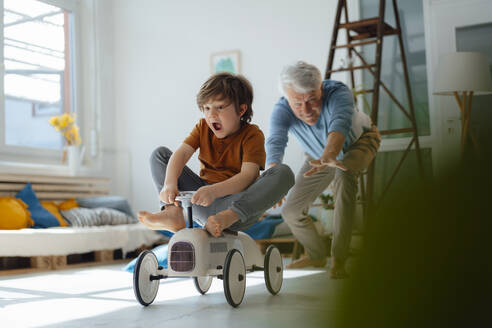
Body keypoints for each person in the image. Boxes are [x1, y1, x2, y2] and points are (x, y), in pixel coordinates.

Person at [139, 72, 294, 237]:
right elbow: (182, 154)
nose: (211, 115)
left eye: (220, 107)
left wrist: (214, 191)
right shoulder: (202, 127)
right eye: (206, 108)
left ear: (241, 110)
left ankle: (225, 218)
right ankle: (171, 213)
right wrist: (169, 185)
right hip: (202, 201)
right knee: (160, 155)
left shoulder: (252, 134)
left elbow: (247, 177)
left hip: (237, 208)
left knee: (283, 172)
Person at [266, 61, 381, 278]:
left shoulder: (338, 92)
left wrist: (330, 153)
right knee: (291, 211)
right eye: (297, 104)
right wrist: (274, 178)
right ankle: (317, 255)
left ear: (321, 88)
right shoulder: (281, 109)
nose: (306, 110)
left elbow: (340, 123)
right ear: (287, 98)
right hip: (318, 155)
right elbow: (275, 141)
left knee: (344, 174)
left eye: (312, 100)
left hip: (358, 142)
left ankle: (340, 258)